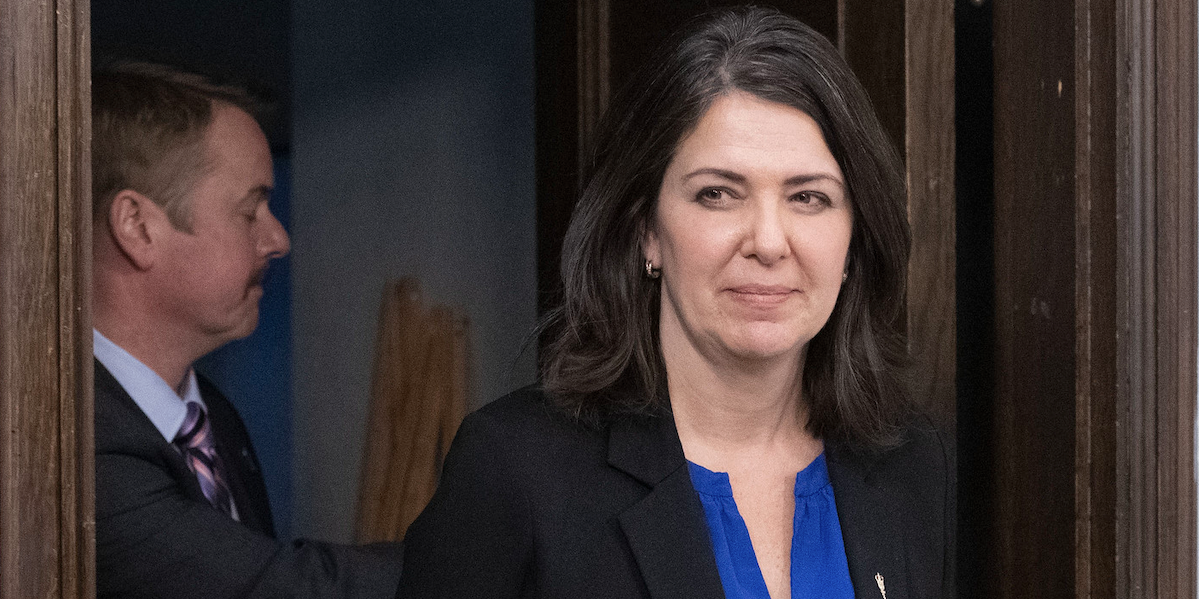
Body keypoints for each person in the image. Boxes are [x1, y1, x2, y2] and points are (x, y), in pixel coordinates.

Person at [398, 6, 953, 599]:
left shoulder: (912, 466)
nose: (768, 242)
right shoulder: (516, 469)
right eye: (717, 194)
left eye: (809, 198)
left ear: (853, 242)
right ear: (647, 231)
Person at [92, 62, 402, 599]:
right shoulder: (76, 440)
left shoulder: (211, 415)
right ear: (138, 228)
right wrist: (503, 549)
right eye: (251, 209)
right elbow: (274, 589)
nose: (278, 238)